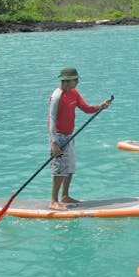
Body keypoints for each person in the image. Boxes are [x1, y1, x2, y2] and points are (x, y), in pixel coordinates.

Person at [47, 67, 111, 210]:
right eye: (76, 80)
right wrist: (54, 143)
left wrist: (100, 107)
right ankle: (53, 201)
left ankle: (64, 196)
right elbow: (50, 119)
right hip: (58, 137)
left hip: (69, 136)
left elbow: (86, 109)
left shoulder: (74, 93)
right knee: (59, 169)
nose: (78, 82)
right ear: (68, 81)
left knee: (70, 166)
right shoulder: (57, 95)